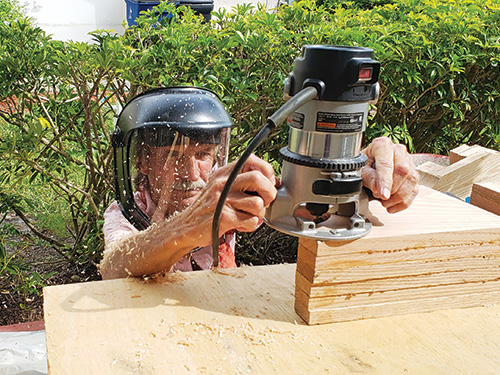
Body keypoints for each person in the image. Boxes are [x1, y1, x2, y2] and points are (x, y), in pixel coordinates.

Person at [99, 88, 419, 280]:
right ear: (141, 161)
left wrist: (364, 168)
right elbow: (113, 265)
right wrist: (186, 228)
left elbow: (310, 197)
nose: (191, 171)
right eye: (171, 156)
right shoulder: (129, 211)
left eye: (203, 154)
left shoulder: (229, 193)